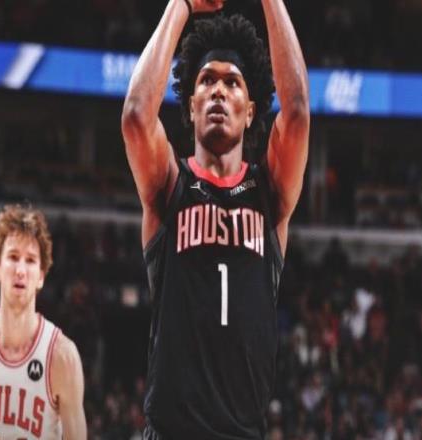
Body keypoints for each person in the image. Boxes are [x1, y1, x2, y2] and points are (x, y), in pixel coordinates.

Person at [122, 0, 309, 438]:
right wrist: (181, 5)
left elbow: (298, 111)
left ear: (251, 110)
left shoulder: (269, 191)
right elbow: (135, 117)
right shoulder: (170, 184)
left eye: (232, 82)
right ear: (191, 106)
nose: (219, 91)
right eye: (206, 80)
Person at [0, 204, 87, 439]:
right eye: (13, 257)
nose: (20, 270)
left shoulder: (62, 356)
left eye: (31, 260)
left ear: (41, 277)